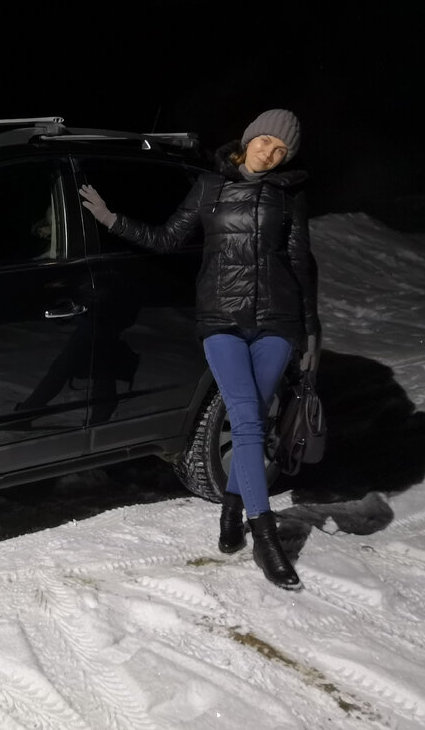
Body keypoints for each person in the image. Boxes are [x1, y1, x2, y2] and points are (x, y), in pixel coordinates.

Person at [80, 108, 319, 591]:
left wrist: (311, 330)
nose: (270, 154)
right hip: (220, 319)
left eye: (281, 151)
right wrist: (110, 218)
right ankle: (264, 536)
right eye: (265, 142)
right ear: (248, 139)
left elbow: (300, 261)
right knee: (248, 420)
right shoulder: (210, 188)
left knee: (254, 423)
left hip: (277, 320)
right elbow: (167, 239)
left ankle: (232, 510)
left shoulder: (288, 196)